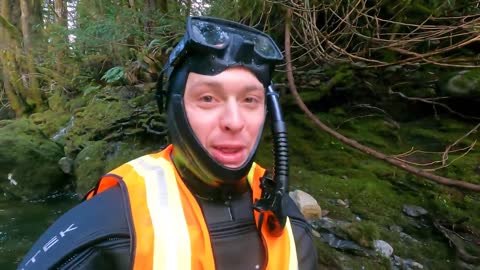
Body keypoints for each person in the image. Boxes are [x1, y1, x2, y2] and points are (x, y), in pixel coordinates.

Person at [18, 16, 318, 270]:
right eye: (208, 98)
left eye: (250, 100)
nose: (235, 121)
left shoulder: (288, 217)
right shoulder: (111, 226)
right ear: (173, 107)